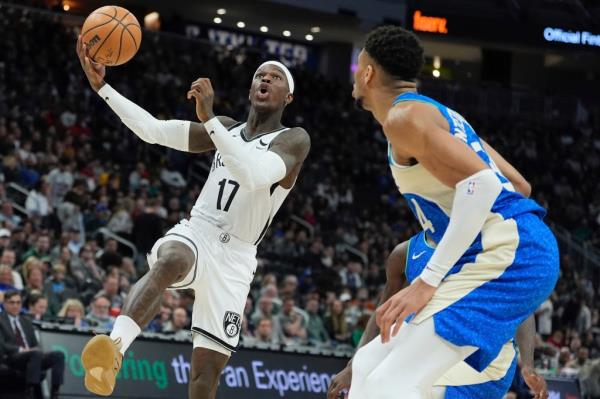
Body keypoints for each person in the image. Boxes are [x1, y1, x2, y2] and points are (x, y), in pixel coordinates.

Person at [75, 34, 310, 398]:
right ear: (250, 90)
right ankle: (114, 349)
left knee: (205, 376)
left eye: (274, 77)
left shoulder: (294, 139)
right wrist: (103, 86)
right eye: (260, 75)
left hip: (237, 259)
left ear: (288, 97)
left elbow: (253, 175)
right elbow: (153, 130)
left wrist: (211, 121)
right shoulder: (227, 128)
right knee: (171, 258)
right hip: (199, 231)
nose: (264, 80)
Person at [349, 25, 559, 398]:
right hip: (504, 247)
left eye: (357, 67)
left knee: (389, 384)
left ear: (368, 73)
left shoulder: (404, 119)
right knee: (368, 366)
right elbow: (520, 186)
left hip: (511, 253)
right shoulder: (442, 116)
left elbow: (486, 185)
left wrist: (427, 282)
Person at [329, 239, 548, 399]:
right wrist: (352, 366)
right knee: (371, 385)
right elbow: (383, 311)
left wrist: (527, 364)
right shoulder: (404, 253)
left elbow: (523, 308)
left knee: (388, 387)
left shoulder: (489, 247)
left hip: (486, 360)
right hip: (429, 342)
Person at [0, 291, 65, 399]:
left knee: (58, 355)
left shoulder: (26, 321)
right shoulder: (1, 320)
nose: (15, 306)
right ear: (5, 304)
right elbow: (2, 345)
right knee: (35, 354)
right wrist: (21, 350)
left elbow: (35, 344)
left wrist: (32, 350)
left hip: (32, 356)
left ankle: (55, 392)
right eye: (12, 303)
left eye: (18, 303)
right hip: (11, 357)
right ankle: (31, 391)